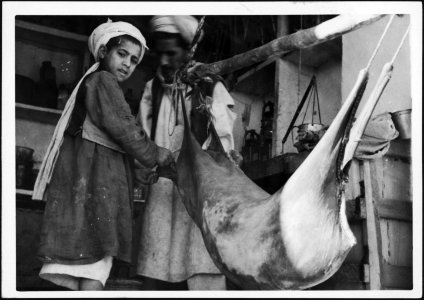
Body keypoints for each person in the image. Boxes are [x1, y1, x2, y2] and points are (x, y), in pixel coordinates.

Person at [34, 20, 174, 291]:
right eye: (121, 54)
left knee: (90, 266)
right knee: (96, 266)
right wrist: (157, 154)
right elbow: (125, 129)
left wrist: (142, 167)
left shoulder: (97, 84)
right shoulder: (103, 81)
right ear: (102, 53)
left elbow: (113, 141)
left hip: (91, 185)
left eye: (134, 60)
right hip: (96, 188)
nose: (127, 64)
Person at [135, 15, 239, 290]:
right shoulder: (152, 88)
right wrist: (144, 165)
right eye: (162, 53)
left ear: (189, 49)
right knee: (159, 254)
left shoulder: (210, 84)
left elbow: (224, 133)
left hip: (199, 183)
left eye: (173, 52)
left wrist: (218, 162)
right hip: (163, 185)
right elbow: (141, 134)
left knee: (199, 256)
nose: (167, 59)